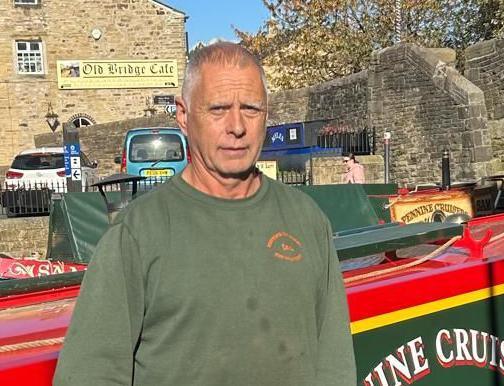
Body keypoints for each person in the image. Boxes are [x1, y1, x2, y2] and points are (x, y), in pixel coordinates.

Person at [54, 42, 356, 386]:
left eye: (251, 108)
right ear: (183, 115)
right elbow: (89, 374)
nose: (237, 126)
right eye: (218, 109)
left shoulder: (308, 220)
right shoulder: (138, 233)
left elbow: (335, 364)